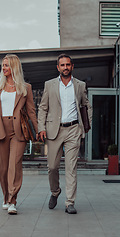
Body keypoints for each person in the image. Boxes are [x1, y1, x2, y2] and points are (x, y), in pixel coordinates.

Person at [0, 54, 38, 215]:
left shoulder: (26, 88)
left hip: (18, 131)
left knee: (15, 165)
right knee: (3, 167)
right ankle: (5, 196)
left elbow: (31, 111)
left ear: (14, 68)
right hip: (1, 129)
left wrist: (39, 130)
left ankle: (12, 200)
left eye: (7, 66)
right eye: (3, 65)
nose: (3, 68)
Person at [37, 53, 92, 214]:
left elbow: (86, 105)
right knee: (52, 167)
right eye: (62, 65)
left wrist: (85, 126)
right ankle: (55, 192)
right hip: (54, 130)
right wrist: (41, 127)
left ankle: (70, 202)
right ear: (58, 67)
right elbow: (43, 108)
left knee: (71, 167)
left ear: (72, 66)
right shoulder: (50, 85)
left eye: (68, 64)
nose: (65, 67)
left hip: (74, 129)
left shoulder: (80, 85)